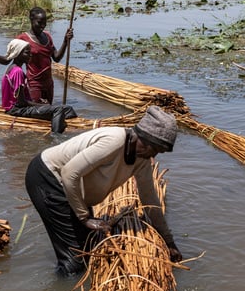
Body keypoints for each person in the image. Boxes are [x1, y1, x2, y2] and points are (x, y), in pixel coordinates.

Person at [25, 105, 183, 276]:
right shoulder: (114, 141)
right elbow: (69, 173)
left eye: (158, 152)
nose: (153, 156)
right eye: (154, 149)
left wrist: (169, 242)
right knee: (75, 260)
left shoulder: (141, 159)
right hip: (48, 178)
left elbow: (150, 199)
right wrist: (85, 218)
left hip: (70, 190)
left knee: (90, 245)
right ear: (143, 137)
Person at [0, 6, 73, 103]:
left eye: (44, 23)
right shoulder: (23, 39)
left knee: (48, 111)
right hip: (34, 84)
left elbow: (57, 58)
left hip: (49, 83)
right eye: (39, 23)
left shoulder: (47, 37)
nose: (42, 26)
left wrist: (65, 41)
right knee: (37, 111)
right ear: (31, 20)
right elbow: (7, 60)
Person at [0, 38, 77, 133]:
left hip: (17, 107)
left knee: (68, 109)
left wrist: (41, 104)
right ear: (17, 54)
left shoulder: (12, 68)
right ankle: (56, 137)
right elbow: (21, 102)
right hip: (16, 110)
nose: (30, 55)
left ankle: (68, 125)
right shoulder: (18, 72)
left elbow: (20, 97)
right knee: (58, 110)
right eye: (27, 53)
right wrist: (40, 105)